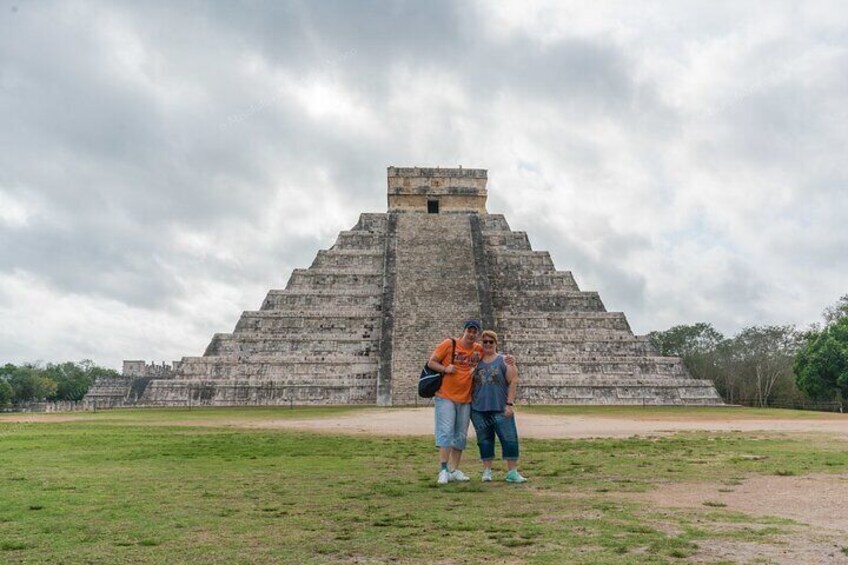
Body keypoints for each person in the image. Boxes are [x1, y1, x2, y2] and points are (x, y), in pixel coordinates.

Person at [427, 319, 484, 485]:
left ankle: (454, 469)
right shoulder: (449, 344)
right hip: (445, 396)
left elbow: (492, 356)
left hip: (465, 399)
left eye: (475, 332)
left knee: (460, 434)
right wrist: (445, 369)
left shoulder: (478, 350)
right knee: (445, 431)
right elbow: (431, 362)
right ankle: (443, 469)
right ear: (464, 331)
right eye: (470, 331)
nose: (472, 334)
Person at [470, 330, 527, 483]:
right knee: (484, 440)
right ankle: (487, 471)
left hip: (500, 408)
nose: (488, 344)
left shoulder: (504, 360)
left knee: (509, 438)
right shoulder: (475, 362)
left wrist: (509, 404)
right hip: (478, 408)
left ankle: (512, 472)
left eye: (491, 342)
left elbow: (513, 381)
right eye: (485, 342)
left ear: (496, 343)